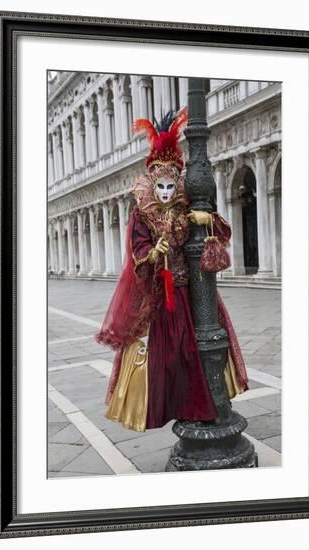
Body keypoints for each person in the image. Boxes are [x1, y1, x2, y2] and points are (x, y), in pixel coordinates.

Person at [95, 107, 248, 432]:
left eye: (170, 185)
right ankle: (171, 405)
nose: (165, 192)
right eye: (160, 185)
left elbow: (218, 231)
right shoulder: (143, 214)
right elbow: (137, 249)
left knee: (198, 349)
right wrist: (153, 252)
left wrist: (206, 219)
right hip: (160, 292)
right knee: (165, 356)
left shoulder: (188, 206)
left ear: (177, 182)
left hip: (193, 291)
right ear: (152, 182)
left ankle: (201, 404)